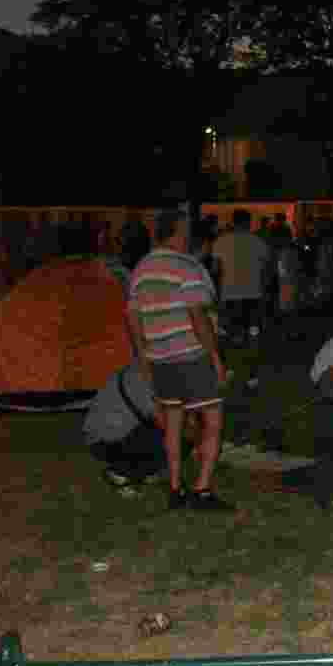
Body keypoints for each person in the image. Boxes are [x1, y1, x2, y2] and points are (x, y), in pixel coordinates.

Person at [127, 209, 232, 511]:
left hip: (160, 358)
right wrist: (215, 357)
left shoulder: (141, 269)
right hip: (190, 356)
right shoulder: (187, 266)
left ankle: (175, 487)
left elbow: (133, 319)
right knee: (212, 420)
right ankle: (201, 490)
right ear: (180, 231)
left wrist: (145, 358)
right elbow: (197, 316)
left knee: (173, 423)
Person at [84, 362, 177, 497]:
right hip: (104, 441)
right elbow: (163, 421)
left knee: (172, 434)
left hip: (109, 435)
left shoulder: (147, 369)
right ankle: (120, 472)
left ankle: (148, 470)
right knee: (167, 436)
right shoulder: (145, 377)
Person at [212, 209, 270, 341]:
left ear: (233, 222)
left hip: (230, 291)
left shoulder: (221, 241)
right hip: (254, 291)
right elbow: (266, 268)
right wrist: (265, 288)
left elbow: (215, 269)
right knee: (253, 331)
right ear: (249, 222)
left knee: (232, 331)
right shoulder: (258, 241)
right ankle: (254, 353)